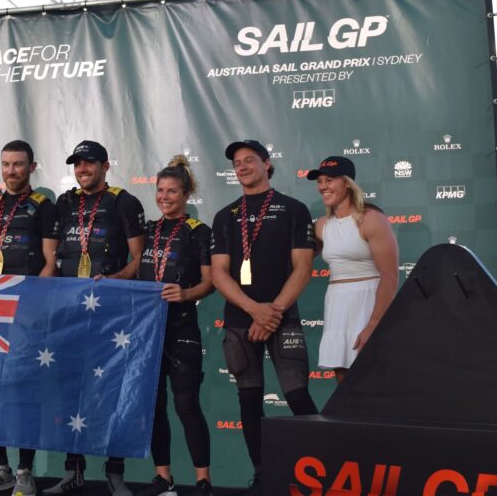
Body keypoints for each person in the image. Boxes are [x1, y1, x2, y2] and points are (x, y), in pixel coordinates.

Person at [210, 140, 318, 496]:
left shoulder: (293, 208)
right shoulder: (225, 216)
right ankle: (262, 475)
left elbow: (303, 268)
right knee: (249, 398)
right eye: (237, 163)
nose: (242, 167)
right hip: (241, 321)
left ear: (267, 164)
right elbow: (220, 273)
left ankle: (320, 472)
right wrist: (254, 310)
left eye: (249, 160)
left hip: (281, 317)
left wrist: (271, 313)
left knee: (298, 395)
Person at [46, 140, 146, 496]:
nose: (82, 169)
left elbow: (140, 260)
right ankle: (73, 471)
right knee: (71, 393)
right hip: (71, 314)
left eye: (89, 163)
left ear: (105, 165)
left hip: (111, 315)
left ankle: (115, 473)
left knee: (110, 392)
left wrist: (115, 281)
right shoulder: (64, 202)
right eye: (77, 164)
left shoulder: (124, 202)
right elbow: (51, 253)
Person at [0, 140, 59, 496]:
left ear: (32, 167)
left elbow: (50, 262)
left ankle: (25, 471)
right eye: (5, 164)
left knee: (23, 393)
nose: (10, 171)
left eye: (18, 165)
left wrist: (36, 304)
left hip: (27, 314)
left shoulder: (44, 207)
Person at [136, 156, 214, 496]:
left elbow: (210, 283)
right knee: (154, 407)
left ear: (186, 195)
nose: (165, 197)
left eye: (172, 191)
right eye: (160, 190)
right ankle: (163, 478)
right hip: (146, 333)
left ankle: (202, 481)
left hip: (182, 329)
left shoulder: (199, 232)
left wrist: (185, 293)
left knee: (187, 405)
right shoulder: (149, 230)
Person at [306, 156, 398, 383]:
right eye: (320, 181)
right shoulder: (321, 225)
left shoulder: (372, 219)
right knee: (343, 379)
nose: (323, 187)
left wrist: (374, 323)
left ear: (347, 183)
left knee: (372, 377)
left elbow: (390, 276)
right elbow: (299, 260)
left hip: (368, 301)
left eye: (329, 180)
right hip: (337, 302)